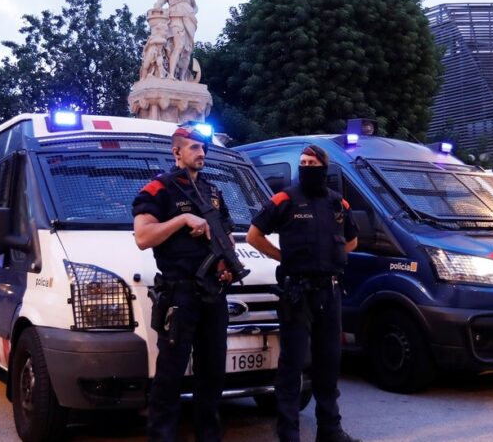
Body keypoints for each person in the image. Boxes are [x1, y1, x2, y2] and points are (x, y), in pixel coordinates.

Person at [247, 145, 361, 442]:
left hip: (329, 291)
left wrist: (331, 258)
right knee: (292, 364)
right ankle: (288, 433)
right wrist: (283, 257)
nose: (307, 166)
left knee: (329, 361)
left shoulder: (339, 204)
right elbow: (253, 236)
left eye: (312, 162)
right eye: (303, 163)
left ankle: (330, 430)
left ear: (324, 166)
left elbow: (352, 241)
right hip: (297, 293)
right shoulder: (285, 199)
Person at [132, 124, 234, 442]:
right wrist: (181, 220)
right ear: (176, 151)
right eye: (194, 147)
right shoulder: (157, 190)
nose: (201, 153)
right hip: (179, 294)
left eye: (204, 148)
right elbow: (143, 237)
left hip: (212, 295)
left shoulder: (213, 192)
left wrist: (227, 265)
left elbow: (225, 235)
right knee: (170, 376)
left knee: (213, 374)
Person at [153, 0, 198, 81]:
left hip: (189, 21)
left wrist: (192, 12)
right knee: (178, 46)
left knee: (187, 50)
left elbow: (195, 6)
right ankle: (172, 74)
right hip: (176, 18)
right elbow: (159, 3)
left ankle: (182, 77)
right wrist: (156, 9)